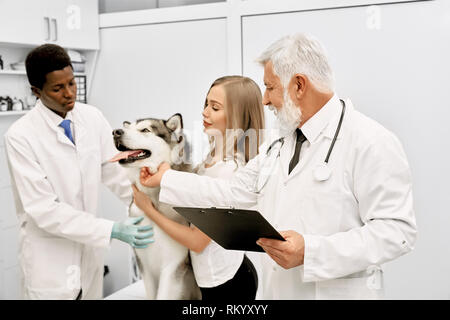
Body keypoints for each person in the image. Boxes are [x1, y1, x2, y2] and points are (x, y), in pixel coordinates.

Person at [138, 33, 418, 299]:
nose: (265, 99)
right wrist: (166, 178)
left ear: (299, 85)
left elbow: (397, 232)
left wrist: (311, 251)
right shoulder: (281, 144)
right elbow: (233, 193)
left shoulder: (370, 141)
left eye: (270, 87)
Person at [4, 44, 154, 300]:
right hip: (50, 261)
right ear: (36, 91)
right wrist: (112, 229)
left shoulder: (91, 117)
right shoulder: (20, 136)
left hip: (88, 254)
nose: (69, 93)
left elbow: (113, 170)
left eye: (72, 83)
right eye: (58, 88)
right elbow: (44, 209)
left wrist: (149, 203)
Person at [132, 76, 265, 300]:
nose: (205, 112)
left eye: (215, 107)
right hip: (213, 278)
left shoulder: (227, 169)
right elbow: (194, 191)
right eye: (206, 104)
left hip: (227, 286)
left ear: (236, 116)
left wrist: (149, 210)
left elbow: (197, 241)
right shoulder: (211, 158)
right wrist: (166, 173)